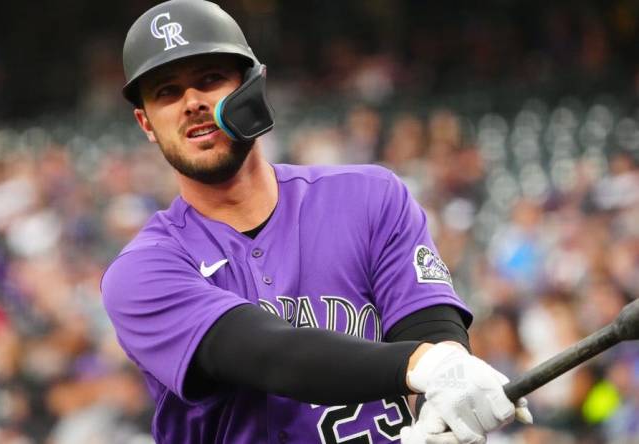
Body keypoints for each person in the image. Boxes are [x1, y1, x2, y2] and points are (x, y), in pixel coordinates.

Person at [101, 1, 532, 442]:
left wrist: (442, 400)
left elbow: (428, 326)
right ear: (146, 123)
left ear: (252, 86)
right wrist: (426, 366)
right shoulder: (141, 272)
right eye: (167, 92)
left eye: (210, 79)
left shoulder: (369, 196)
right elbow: (268, 354)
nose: (191, 102)